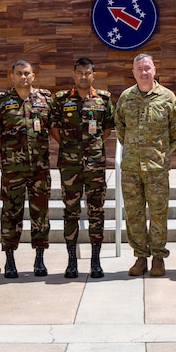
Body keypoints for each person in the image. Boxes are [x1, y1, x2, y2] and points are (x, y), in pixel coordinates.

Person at [115, 53, 176, 277]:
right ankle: (140, 257)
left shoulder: (167, 97)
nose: (144, 72)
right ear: (133, 72)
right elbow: (121, 128)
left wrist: (161, 153)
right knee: (134, 214)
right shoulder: (126, 98)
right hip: (132, 168)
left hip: (156, 168)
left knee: (158, 214)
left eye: (147, 68)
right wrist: (135, 150)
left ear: (154, 70)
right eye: (139, 69)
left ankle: (158, 258)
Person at [50, 58, 114, 279]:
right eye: (80, 73)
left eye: (88, 73)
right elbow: (54, 129)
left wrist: (92, 147)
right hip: (70, 165)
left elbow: (107, 129)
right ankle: (71, 261)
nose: (84, 76)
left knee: (97, 211)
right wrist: (70, 147)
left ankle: (95, 261)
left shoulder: (104, 99)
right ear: (74, 74)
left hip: (95, 165)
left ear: (93, 75)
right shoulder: (60, 100)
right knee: (71, 212)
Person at [0, 60, 53, 279]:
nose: (23, 77)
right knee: (10, 214)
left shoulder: (45, 99)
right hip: (12, 170)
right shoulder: (1, 101)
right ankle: (10, 260)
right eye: (19, 73)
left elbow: (52, 128)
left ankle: (39, 259)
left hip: (40, 169)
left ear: (33, 76)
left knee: (41, 214)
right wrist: (11, 155)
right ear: (12, 76)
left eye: (27, 73)